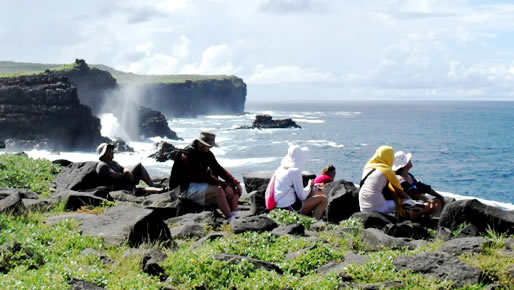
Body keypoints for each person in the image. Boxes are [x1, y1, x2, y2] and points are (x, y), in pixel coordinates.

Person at [168, 132, 242, 221]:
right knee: (218, 190)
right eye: (208, 145)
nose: (210, 147)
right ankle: (230, 219)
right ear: (200, 143)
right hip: (183, 188)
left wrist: (235, 182)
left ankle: (234, 215)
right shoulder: (187, 154)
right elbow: (201, 175)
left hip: (197, 184)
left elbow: (218, 168)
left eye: (210, 146)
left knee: (233, 187)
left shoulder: (206, 153)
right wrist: (224, 185)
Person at [273, 145, 328, 219]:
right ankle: (314, 224)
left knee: (314, 191)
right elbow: (302, 196)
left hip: (278, 206)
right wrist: (309, 185)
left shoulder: (281, 169)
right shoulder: (295, 171)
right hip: (289, 208)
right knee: (323, 199)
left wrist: (312, 187)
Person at [96, 143, 162, 192]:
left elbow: (123, 168)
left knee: (139, 166)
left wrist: (126, 171)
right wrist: (126, 175)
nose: (112, 152)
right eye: (110, 151)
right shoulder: (102, 165)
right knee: (138, 188)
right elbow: (113, 176)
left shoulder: (113, 162)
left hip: (124, 180)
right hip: (118, 185)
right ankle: (158, 190)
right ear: (104, 153)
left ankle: (151, 185)